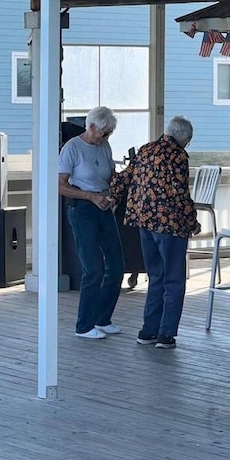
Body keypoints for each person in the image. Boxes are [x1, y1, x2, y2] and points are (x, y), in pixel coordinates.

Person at [111, 116, 200, 349]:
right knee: (173, 279)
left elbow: (124, 179)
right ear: (184, 139)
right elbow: (180, 193)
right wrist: (193, 221)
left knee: (156, 277)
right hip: (170, 225)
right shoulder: (178, 156)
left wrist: (106, 194)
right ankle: (166, 334)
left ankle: (148, 331)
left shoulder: (146, 149)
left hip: (144, 222)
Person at [58, 106, 124, 340]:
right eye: (103, 133)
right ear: (91, 126)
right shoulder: (72, 148)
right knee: (93, 267)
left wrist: (112, 194)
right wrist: (90, 197)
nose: (105, 138)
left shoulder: (104, 146)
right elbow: (61, 186)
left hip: (103, 206)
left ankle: (103, 319)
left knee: (116, 264)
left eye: (109, 134)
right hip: (82, 209)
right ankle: (84, 325)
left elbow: (111, 175)